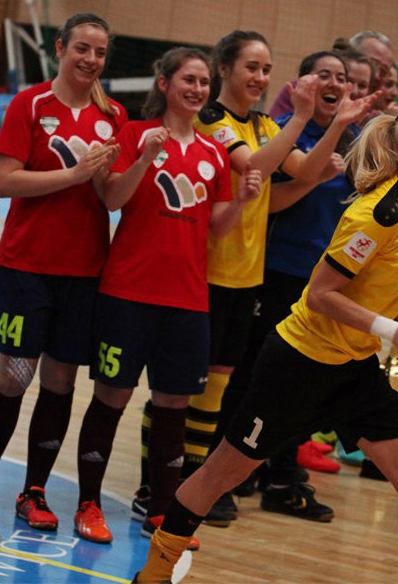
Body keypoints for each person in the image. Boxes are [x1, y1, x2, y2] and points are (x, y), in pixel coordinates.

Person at [131, 99, 398, 584]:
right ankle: (154, 575)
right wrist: (390, 331)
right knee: (222, 474)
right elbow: (320, 295)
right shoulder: (378, 213)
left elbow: (394, 294)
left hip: (353, 370)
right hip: (297, 365)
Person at [133, 31, 378, 526]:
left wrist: (338, 126)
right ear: (224, 69)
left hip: (247, 277)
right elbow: (256, 167)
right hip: (205, 271)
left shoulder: (265, 124)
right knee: (177, 388)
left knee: (216, 389)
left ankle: (192, 483)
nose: (260, 77)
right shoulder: (212, 119)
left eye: (266, 69)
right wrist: (305, 120)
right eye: (251, 67)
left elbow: (293, 179)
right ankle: (152, 484)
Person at [72, 47, 261, 545]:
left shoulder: (214, 152)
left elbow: (216, 228)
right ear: (164, 84)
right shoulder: (134, 134)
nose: (197, 89)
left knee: (174, 403)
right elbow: (112, 198)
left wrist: (242, 201)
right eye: (188, 80)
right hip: (128, 293)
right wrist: (145, 158)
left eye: (203, 82)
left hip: (187, 299)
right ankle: (89, 503)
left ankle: (160, 511)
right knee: (112, 396)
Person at [0, 13, 125, 531]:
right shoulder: (29, 105)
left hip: (84, 270)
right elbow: (6, 182)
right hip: (26, 265)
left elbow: (111, 194)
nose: (91, 59)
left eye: (100, 52)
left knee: (60, 381)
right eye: (82, 48)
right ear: (60, 48)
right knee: (15, 375)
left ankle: (34, 490)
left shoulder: (114, 116)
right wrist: (74, 174)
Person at [269, 30, 394, 118]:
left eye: (384, 71)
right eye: (372, 63)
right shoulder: (301, 90)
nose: (376, 74)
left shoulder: (373, 111)